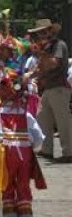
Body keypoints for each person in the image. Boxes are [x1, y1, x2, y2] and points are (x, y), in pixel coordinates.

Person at [0, 69, 46, 217]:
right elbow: (39, 136)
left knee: (7, 182)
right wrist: (34, 148)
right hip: (25, 152)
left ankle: (9, 214)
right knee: (23, 183)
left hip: (6, 152)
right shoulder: (26, 115)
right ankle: (25, 215)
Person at [30, 19, 72, 163]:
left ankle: (69, 152)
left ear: (51, 31)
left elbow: (54, 64)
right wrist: (27, 76)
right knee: (42, 118)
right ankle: (46, 150)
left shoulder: (59, 45)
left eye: (44, 31)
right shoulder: (47, 47)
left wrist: (41, 52)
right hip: (48, 88)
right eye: (39, 33)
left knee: (63, 121)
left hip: (59, 88)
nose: (41, 34)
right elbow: (40, 68)